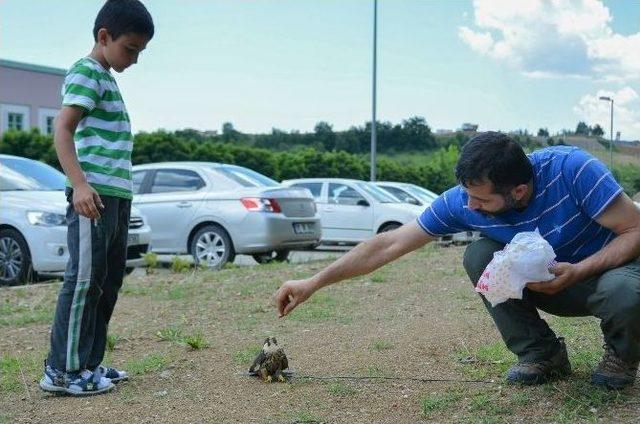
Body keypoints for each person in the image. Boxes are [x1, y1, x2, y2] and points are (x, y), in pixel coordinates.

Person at [274, 132, 640, 389]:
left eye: (481, 201)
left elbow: (634, 231)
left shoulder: (572, 170)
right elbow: (389, 244)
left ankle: (621, 356)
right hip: (549, 283)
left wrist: (579, 270)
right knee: (480, 254)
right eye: (467, 196)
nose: (469, 207)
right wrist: (313, 282)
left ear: (519, 191)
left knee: (622, 288)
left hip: (606, 275)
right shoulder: (464, 199)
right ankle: (542, 355)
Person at [39, 0, 154, 396]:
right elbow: (63, 130)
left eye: (140, 52)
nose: (135, 60)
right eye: (131, 49)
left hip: (116, 195)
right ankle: (62, 370)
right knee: (85, 280)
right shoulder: (87, 71)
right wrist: (81, 185)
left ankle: (88, 362)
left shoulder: (107, 78)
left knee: (107, 281)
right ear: (104, 37)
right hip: (94, 196)